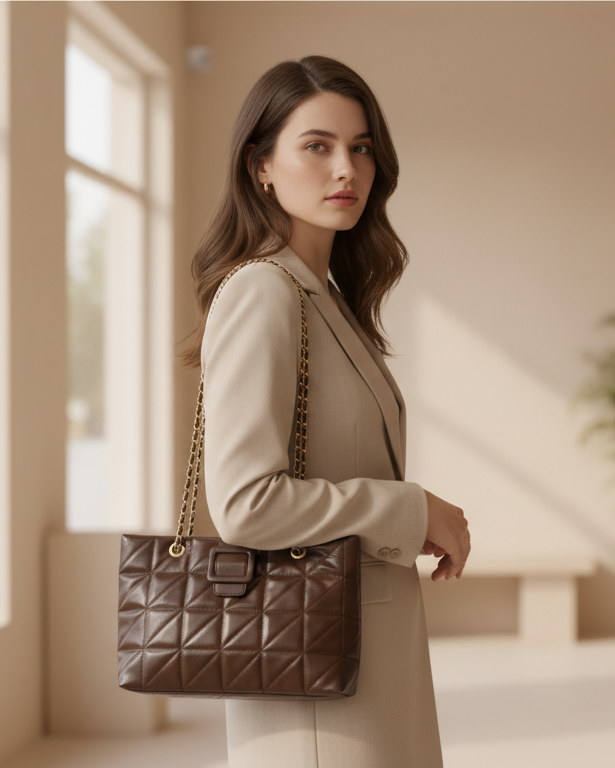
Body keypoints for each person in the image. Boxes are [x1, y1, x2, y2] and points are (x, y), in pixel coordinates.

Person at [183, 55, 470, 768]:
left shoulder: (325, 296)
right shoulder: (263, 290)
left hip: (359, 659)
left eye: (360, 147)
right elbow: (246, 505)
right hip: (315, 678)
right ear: (261, 167)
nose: (346, 168)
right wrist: (411, 510)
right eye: (317, 146)